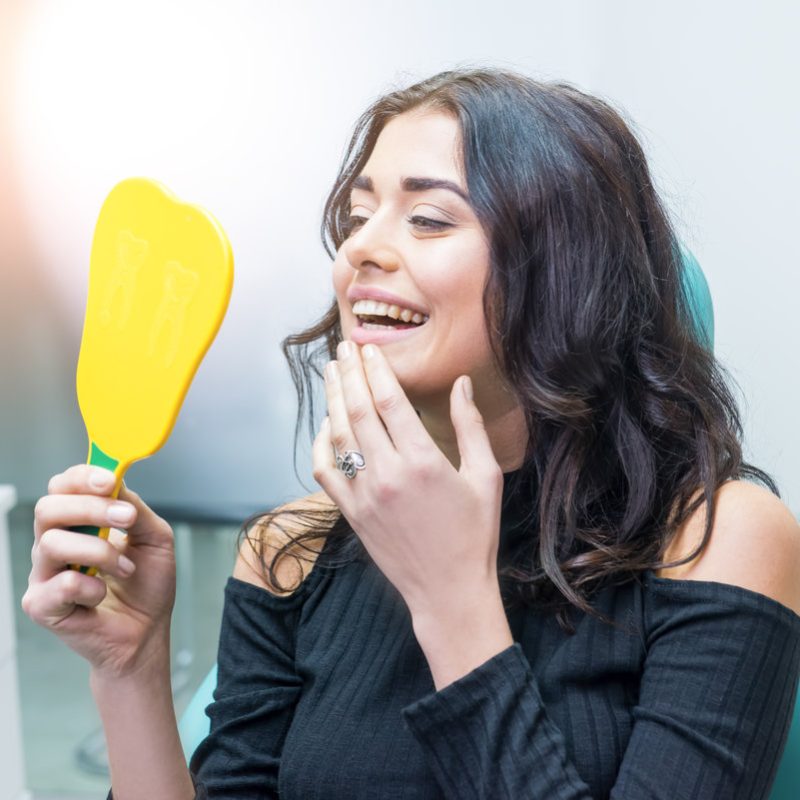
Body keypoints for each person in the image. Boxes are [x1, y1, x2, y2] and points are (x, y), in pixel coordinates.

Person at [23, 67, 800, 799]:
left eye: (429, 219)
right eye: (357, 218)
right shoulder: (289, 550)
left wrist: (450, 598)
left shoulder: (716, 539)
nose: (360, 248)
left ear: (569, 273)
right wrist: (128, 669)